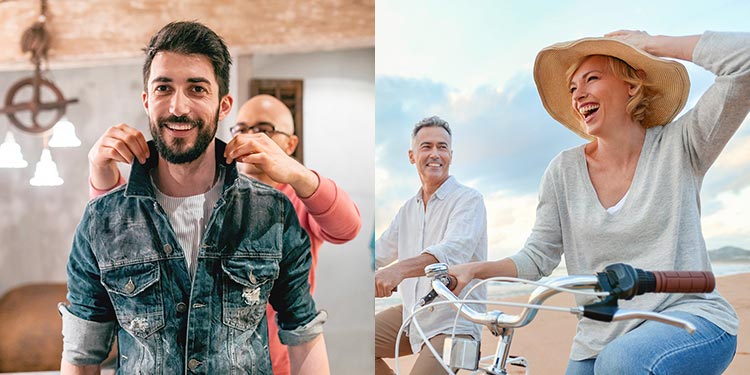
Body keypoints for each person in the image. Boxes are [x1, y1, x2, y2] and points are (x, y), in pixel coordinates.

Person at [450, 30, 750, 374]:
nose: (579, 94)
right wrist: (475, 270)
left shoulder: (682, 145)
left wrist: (651, 45)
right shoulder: (563, 171)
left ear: (632, 85)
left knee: (622, 362)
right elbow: (537, 256)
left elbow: (745, 60)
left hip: (688, 317)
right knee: (612, 360)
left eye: (592, 78)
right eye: (573, 88)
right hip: (598, 334)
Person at [60, 21, 330, 374]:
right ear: (146, 100)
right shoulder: (102, 220)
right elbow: (82, 354)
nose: (178, 107)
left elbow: (304, 333)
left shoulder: (272, 212)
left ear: (224, 104)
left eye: (197, 89)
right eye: (163, 88)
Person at [86, 93, 361, 375]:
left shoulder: (295, 201)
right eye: (241, 129)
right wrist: (99, 170)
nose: (252, 138)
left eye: (265, 129)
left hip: (282, 363)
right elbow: (118, 232)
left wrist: (297, 175)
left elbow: (347, 228)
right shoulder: (207, 197)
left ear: (290, 143)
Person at [374, 115, 488, 374]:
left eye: (442, 147)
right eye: (426, 146)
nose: (435, 153)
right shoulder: (406, 210)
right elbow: (377, 255)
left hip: (455, 321)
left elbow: (452, 253)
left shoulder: (469, 200)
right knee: (355, 343)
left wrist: (397, 271)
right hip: (413, 314)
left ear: (450, 155)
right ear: (412, 156)